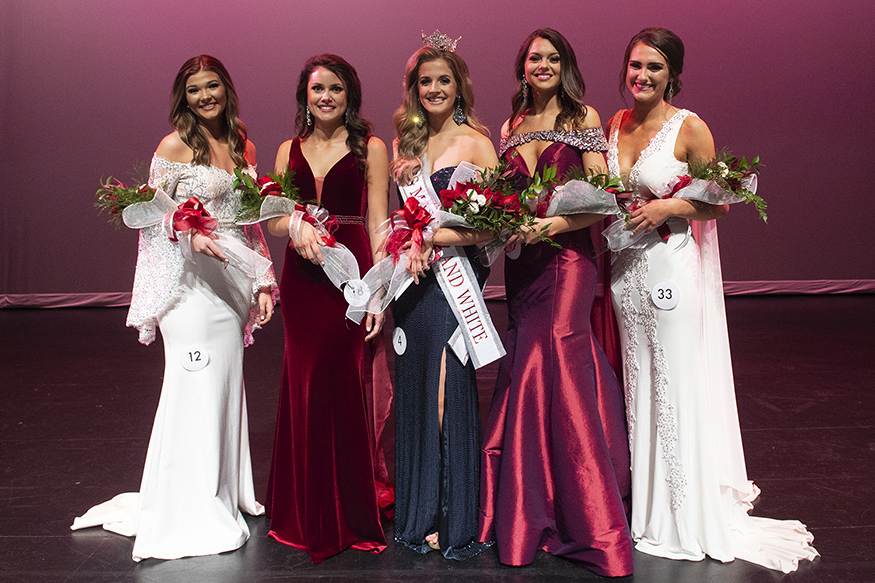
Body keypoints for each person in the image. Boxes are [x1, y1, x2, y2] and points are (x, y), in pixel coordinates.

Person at [606, 27, 818, 572]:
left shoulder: (690, 127)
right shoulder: (616, 124)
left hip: (671, 269)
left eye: (653, 67)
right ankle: (648, 514)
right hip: (626, 272)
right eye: (635, 65)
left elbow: (717, 204)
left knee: (676, 387)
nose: (642, 76)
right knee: (641, 387)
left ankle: (684, 513)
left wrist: (667, 210)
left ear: (672, 73)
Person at [71, 55, 276, 562]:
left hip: (231, 282)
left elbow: (250, 222)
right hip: (189, 287)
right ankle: (188, 504)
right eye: (193, 90)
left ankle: (224, 492)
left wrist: (264, 281)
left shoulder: (242, 144)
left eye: (212, 86)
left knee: (225, 385)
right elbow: (150, 219)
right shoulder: (173, 146)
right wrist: (186, 232)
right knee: (194, 385)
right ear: (182, 97)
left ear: (226, 89)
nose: (204, 96)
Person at [477, 29, 634, 577]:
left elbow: (603, 202)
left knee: (563, 366)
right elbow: (503, 197)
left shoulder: (583, 120)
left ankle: (590, 516)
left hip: (569, 262)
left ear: (564, 64)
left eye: (551, 57)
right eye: (532, 57)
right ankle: (531, 504)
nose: (541, 64)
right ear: (522, 67)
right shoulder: (510, 126)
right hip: (523, 269)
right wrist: (506, 223)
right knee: (529, 371)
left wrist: (553, 224)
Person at [264, 54, 393, 564]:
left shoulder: (371, 148)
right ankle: (302, 511)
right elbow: (272, 218)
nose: (326, 97)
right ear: (305, 96)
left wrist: (379, 291)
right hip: (301, 279)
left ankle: (347, 513)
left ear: (350, 95)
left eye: (336, 89)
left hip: (350, 278)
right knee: (303, 383)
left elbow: (379, 221)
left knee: (341, 384)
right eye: (317, 89)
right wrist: (295, 228)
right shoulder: (285, 150)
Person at [390, 35, 499, 559]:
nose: (433, 89)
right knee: (415, 391)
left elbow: (493, 228)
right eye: (424, 81)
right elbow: (401, 222)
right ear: (414, 89)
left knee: (444, 390)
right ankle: (420, 510)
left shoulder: (477, 143)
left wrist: (430, 237)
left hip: (453, 283)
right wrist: (407, 241)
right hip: (411, 286)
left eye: (443, 80)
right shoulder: (405, 148)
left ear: (459, 88)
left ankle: (451, 514)